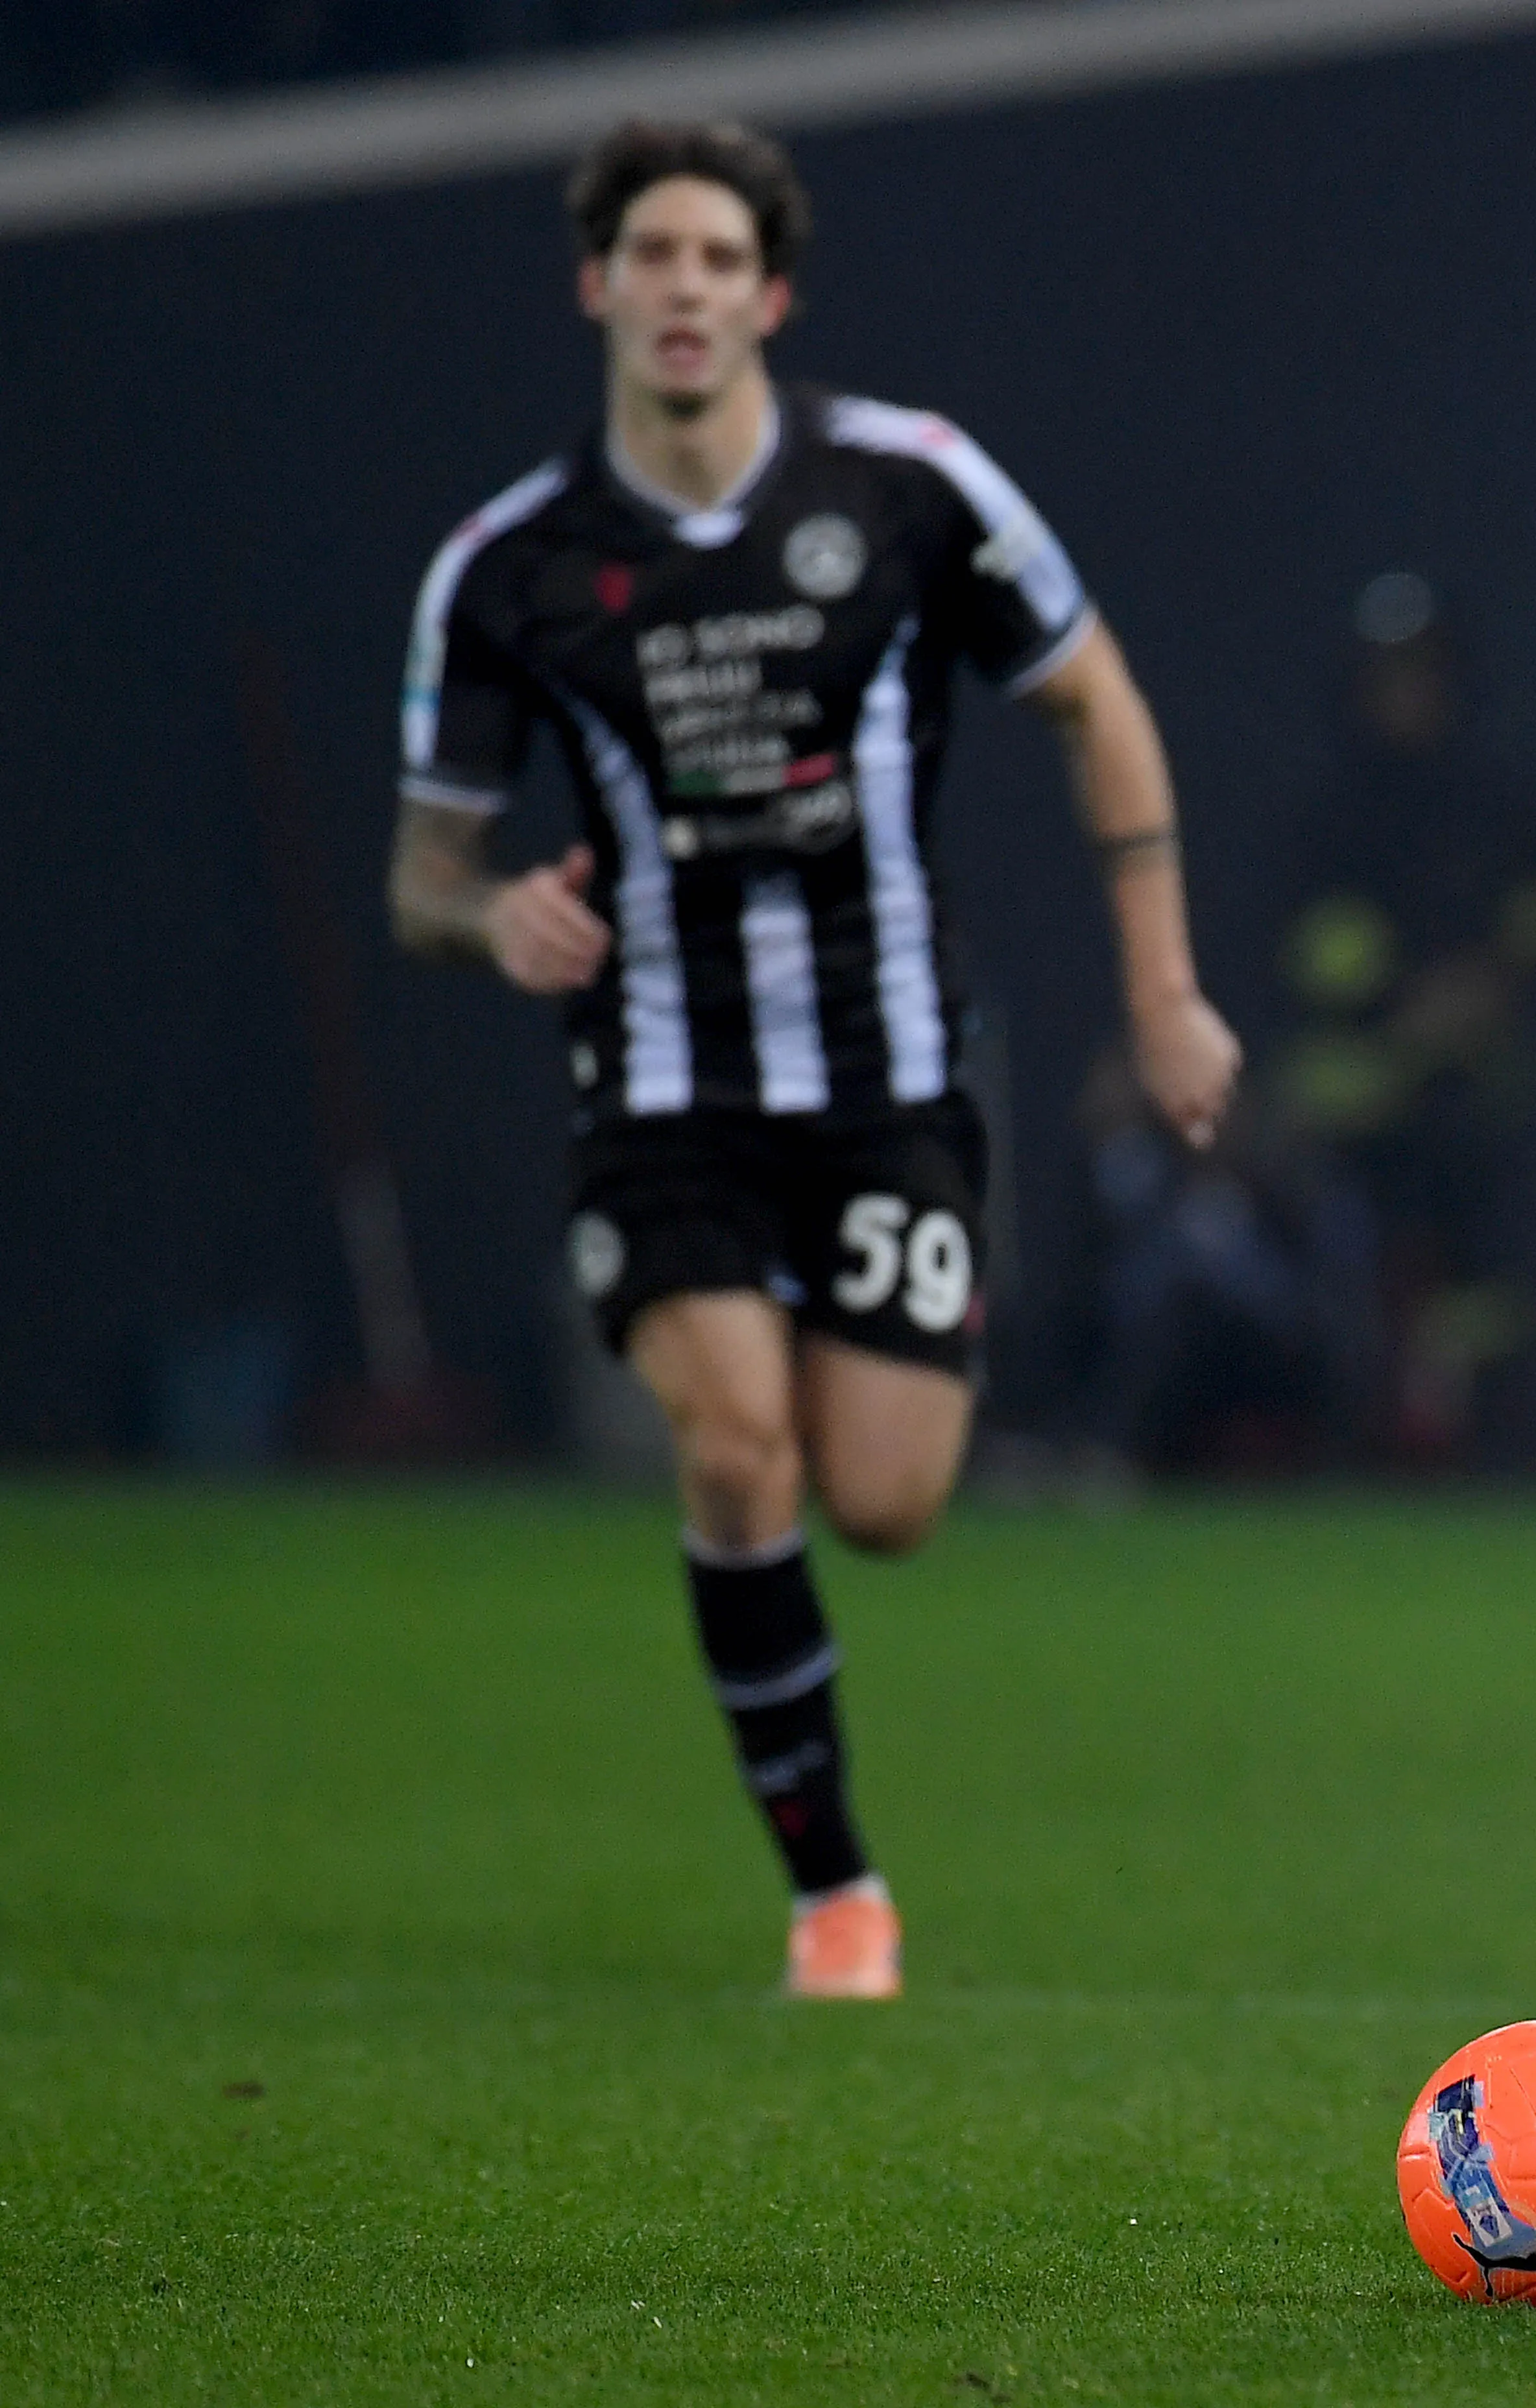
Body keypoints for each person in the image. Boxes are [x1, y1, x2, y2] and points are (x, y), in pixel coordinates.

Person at [386, 121, 1240, 1997]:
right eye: (651, 254)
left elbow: (1097, 701)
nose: (683, 288)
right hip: (665, 1097)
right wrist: (488, 916)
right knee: (740, 1447)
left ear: (768, 296)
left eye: (717, 259)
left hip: (886, 1083)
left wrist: (1164, 991)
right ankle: (836, 1892)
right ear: (595, 286)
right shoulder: (508, 567)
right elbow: (422, 872)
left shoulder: (912, 485)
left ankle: (823, 1783)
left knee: (888, 1503)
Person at [1270, 573, 1536, 1458]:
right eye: (1388, 675)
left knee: (1483, 1300)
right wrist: (1403, 1009)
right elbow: (1308, 954)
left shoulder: (1501, 807)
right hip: (1357, 1109)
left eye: (1424, 673)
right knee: (1355, 1294)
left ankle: (1482, 1448)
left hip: (1479, 1099)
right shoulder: (1328, 818)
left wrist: (1495, 980)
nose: (1407, 695)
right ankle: (1349, 1448)